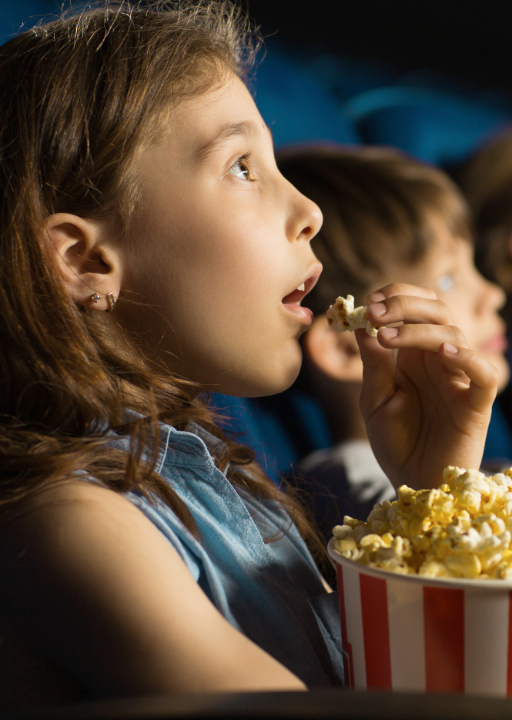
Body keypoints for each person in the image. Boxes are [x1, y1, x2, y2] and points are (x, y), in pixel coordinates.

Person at [0, 2, 499, 709]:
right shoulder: (73, 530)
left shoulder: (231, 487)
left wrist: (434, 499)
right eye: (242, 166)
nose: (309, 211)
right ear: (87, 261)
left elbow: (415, 683)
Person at [275, 145, 510, 530]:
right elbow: (424, 546)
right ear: (346, 346)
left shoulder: (491, 471)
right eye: (449, 278)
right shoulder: (343, 485)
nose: (494, 294)